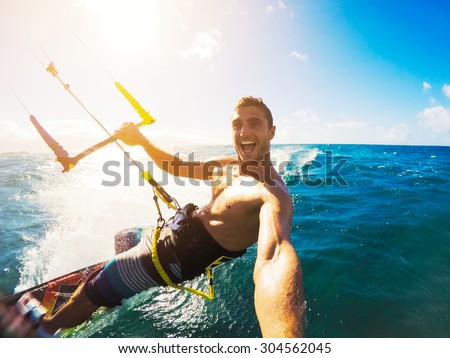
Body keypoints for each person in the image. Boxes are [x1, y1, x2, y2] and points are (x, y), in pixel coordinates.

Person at [40, 96, 305, 337]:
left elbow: (274, 257)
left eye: (254, 123)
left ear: (271, 131)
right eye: (237, 124)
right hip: (170, 233)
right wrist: (141, 140)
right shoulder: (229, 166)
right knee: (123, 237)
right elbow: (176, 167)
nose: (244, 132)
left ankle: (46, 329)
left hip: (171, 259)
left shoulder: (271, 193)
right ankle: (112, 291)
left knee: (92, 290)